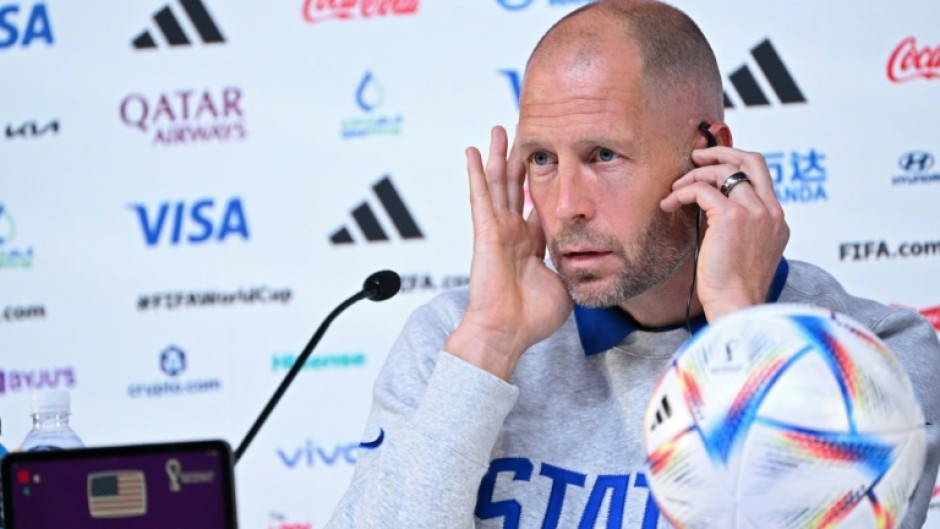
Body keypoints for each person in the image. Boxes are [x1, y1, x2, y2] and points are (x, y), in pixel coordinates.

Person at [326, 1, 940, 527]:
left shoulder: (877, 354)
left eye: (603, 155)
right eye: (542, 159)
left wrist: (742, 328)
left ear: (707, 153)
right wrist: (488, 344)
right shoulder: (454, 342)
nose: (566, 206)